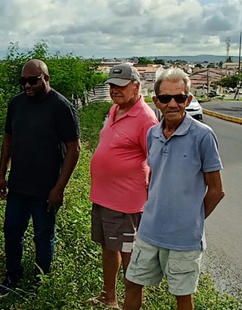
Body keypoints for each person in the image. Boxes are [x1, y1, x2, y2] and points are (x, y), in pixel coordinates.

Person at [123, 68, 225, 310]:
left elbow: (216, 190)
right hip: (149, 232)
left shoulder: (203, 136)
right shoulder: (152, 134)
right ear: (155, 100)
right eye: (166, 98)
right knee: (132, 283)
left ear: (188, 100)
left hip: (183, 239)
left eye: (179, 98)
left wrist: (192, 219)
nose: (172, 104)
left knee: (182, 296)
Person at [0, 59, 81, 294]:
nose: (27, 86)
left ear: (46, 78)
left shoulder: (61, 106)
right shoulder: (16, 104)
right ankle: (12, 275)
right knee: (12, 233)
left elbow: (74, 148)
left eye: (32, 81)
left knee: (43, 238)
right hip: (18, 187)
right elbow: (8, 140)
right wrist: (1, 175)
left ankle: (39, 283)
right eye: (23, 81)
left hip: (46, 189)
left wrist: (59, 188)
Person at [88, 64, 158, 308]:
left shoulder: (146, 118)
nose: (114, 91)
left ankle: (131, 304)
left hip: (126, 202)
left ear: (136, 86)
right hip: (103, 197)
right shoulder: (114, 109)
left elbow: (156, 160)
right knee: (108, 247)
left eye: (120, 86)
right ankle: (109, 297)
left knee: (130, 257)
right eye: (111, 86)